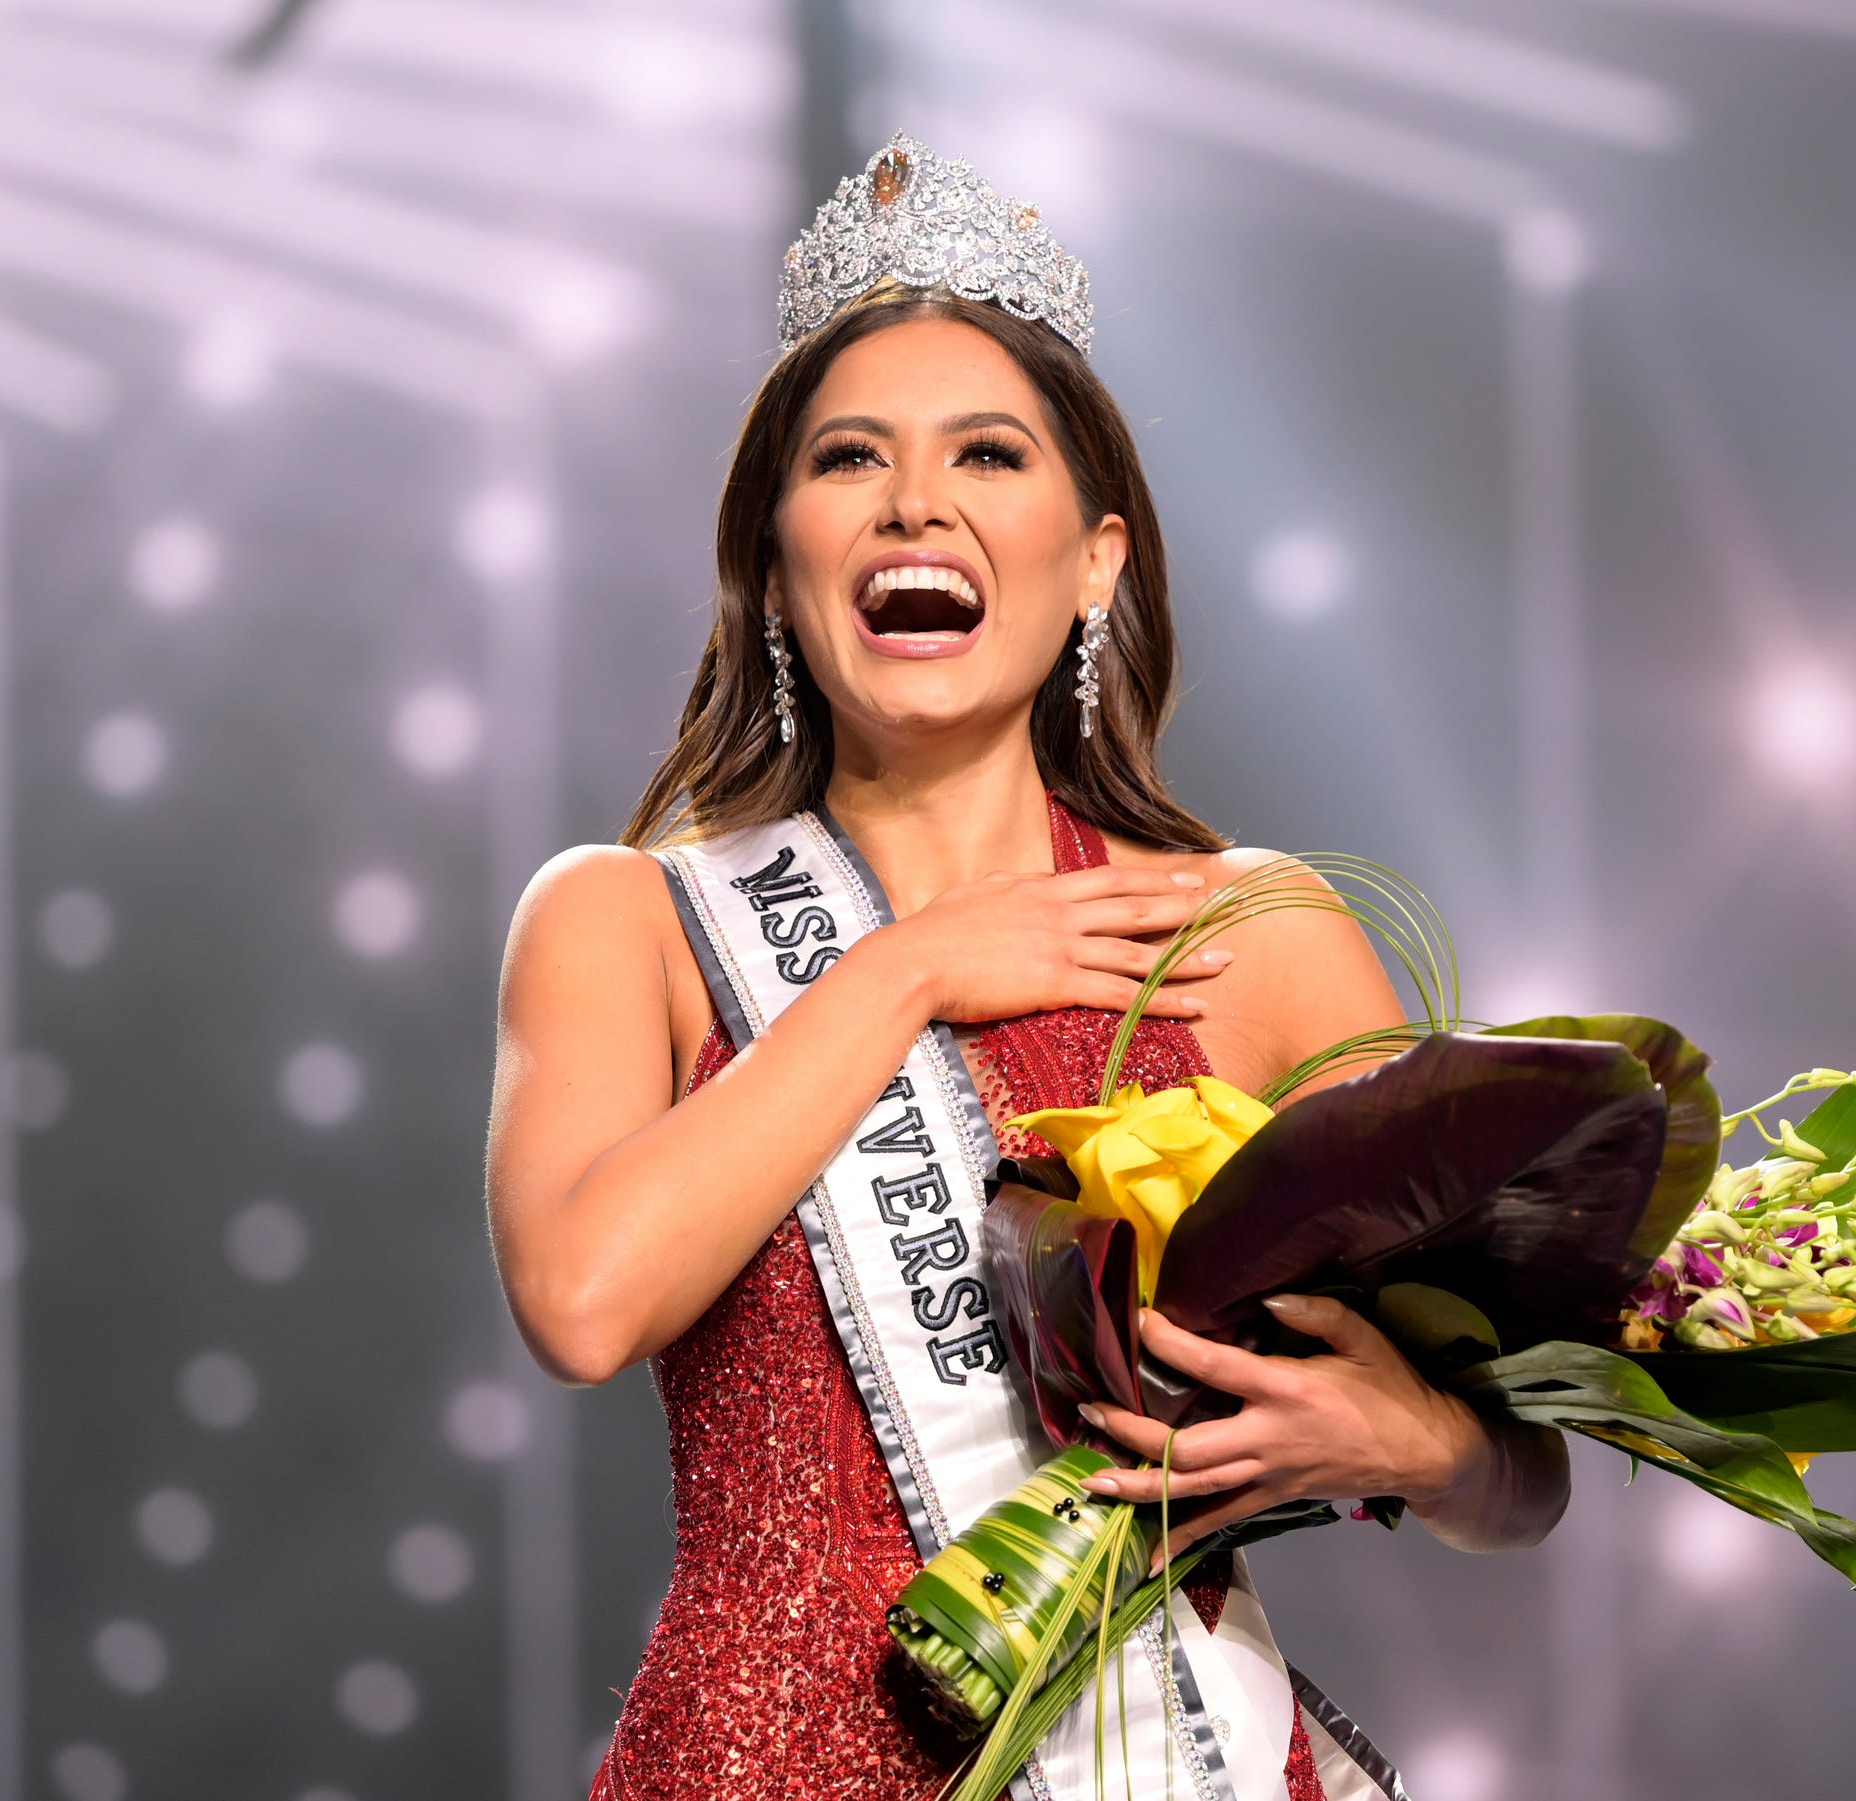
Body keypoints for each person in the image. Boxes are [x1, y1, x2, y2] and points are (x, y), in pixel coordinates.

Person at [489, 138, 1568, 1801]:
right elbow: (580, 1298)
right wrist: (905, 972)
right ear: (778, 562)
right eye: (850, 459)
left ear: (1095, 563)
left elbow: (1525, 1473)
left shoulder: (1247, 935)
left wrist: (1415, 1441)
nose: (915, 501)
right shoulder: (627, 920)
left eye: (987, 454)